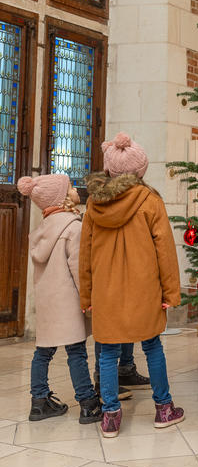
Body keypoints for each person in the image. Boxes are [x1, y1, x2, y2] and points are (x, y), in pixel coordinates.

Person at [79, 132, 184, 438]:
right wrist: (170, 292)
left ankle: (111, 415)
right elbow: (165, 249)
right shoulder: (150, 200)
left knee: (107, 353)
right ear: (140, 171)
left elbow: (84, 254)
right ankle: (164, 408)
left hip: (106, 291)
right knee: (152, 346)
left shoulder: (93, 206)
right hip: (145, 289)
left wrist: (86, 294)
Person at [17, 174, 101, 424]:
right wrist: (89, 297)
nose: (76, 189)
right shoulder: (72, 226)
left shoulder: (43, 228)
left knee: (43, 352)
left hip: (47, 302)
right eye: (72, 187)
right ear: (63, 197)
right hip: (68, 301)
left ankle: (39, 401)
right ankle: (88, 403)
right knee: (77, 352)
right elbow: (78, 268)